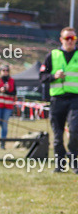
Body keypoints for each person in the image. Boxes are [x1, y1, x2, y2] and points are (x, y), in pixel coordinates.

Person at [40, 26, 78, 171]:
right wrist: (54, 76)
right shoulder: (52, 55)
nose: (70, 41)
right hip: (57, 99)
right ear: (61, 39)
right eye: (67, 38)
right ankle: (60, 165)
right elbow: (42, 77)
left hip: (75, 99)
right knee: (57, 135)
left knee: (75, 131)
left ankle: (74, 162)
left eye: (72, 38)